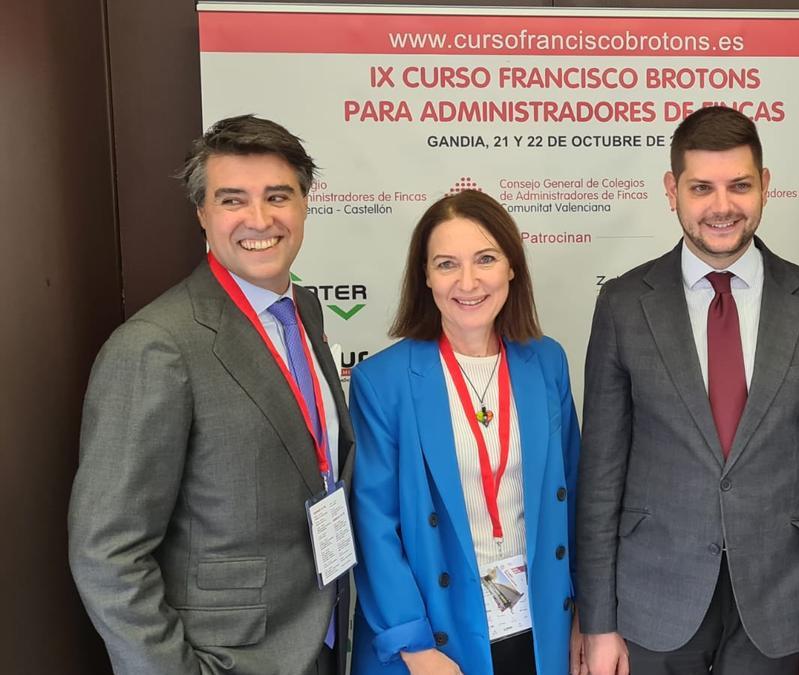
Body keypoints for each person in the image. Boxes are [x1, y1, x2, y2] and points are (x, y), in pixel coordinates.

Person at [575, 106, 799, 675]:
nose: (722, 206)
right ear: (671, 189)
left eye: (739, 186)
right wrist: (599, 622)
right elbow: (600, 477)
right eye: (701, 187)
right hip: (654, 599)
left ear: (765, 187)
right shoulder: (625, 305)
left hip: (781, 604)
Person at [68, 114, 355, 675]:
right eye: (232, 200)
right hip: (225, 658)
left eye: (278, 196)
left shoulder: (306, 312)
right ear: (202, 213)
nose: (259, 219)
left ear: (303, 204)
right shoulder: (155, 347)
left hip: (322, 637)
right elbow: (107, 555)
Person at [349, 189, 583, 675]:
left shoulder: (547, 362)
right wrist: (413, 645)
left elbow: (574, 492)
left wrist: (585, 611)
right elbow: (375, 525)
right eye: (447, 264)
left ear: (511, 268)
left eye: (485, 259)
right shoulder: (383, 381)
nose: (469, 281)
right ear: (426, 277)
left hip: (540, 623)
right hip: (436, 639)